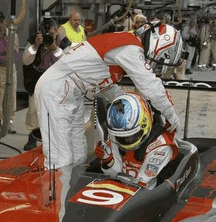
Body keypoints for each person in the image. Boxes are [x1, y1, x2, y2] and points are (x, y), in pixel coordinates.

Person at [34, 21, 183, 169]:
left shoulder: (122, 43)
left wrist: (131, 102)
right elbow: (151, 85)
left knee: (78, 154)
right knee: (61, 159)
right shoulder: (129, 46)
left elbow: (105, 85)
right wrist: (170, 115)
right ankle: (56, 191)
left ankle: (68, 189)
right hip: (57, 90)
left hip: (70, 92)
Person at [95, 92, 178, 189]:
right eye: (122, 138)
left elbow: (142, 184)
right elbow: (113, 176)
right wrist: (107, 160)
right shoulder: (115, 136)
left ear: (144, 124)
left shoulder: (160, 146)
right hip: (121, 188)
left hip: (146, 195)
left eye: (131, 136)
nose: (126, 141)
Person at [21, 18, 71, 151]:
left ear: (56, 31)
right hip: (37, 80)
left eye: (52, 33)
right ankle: (32, 137)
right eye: (46, 33)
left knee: (57, 112)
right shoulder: (34, 40)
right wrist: (35, 46)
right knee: (33, 110)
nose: (49, 36)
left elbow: (68, 63)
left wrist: (54, 48)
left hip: (57, 81)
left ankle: (56, 139)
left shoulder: (64, 42)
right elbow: (25, 60)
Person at [0, 11, 20, 133]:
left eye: (1, 22)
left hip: (11, 69)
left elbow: (15, 53)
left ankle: (9, 120)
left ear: (5, 21)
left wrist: (7, 58)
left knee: (10, 96)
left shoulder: (12, 35)